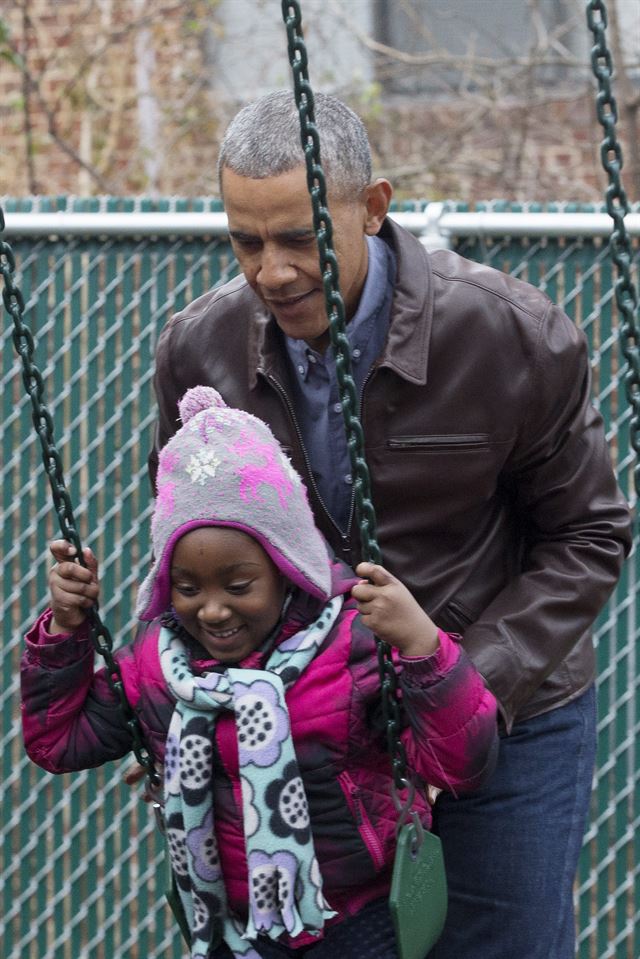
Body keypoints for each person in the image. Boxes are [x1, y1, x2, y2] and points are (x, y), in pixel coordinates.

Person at [148, 92, 633, 959]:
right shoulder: (202, 348)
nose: (273, 271)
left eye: (300, 237)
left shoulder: (511, 335)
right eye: (246, 240)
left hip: (504, 713)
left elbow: (588, 533)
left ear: (372, 208)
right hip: (314, 733)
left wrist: (466, 683)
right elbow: (188, 546)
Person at [21, 386, 498, 959]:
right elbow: (57, 741)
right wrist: (66, 630)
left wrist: (424, 646)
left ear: (285, 567)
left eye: (238, 586)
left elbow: (459, 763)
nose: (213, 610)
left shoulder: (355, 644)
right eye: (188, 588)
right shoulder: (157, 665)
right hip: (232, 925)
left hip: (356, 916)